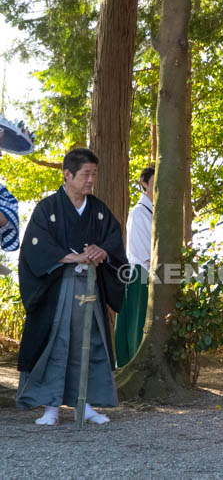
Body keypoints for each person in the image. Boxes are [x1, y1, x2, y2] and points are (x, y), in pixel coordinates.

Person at [16, 148, 128, 425]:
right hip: (59, 289)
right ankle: (51, 407)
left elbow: (114, 242)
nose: (91, 180)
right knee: (58, 343)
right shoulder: (48, 209)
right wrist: (73, 257)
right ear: (67, 174)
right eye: (86, 174)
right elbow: (35, 249)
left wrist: (102, 251)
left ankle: (85, 405)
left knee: (88, 345)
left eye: (94, 174)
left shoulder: (99, 211)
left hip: (92, 288)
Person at [114, 165, 154, 368]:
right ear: (144, 184)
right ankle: (133, 365)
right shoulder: (139, 212)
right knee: (137, 323)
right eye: (154, 183)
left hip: (155, 273)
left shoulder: (155, 212)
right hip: (141, 272)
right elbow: (141, 250)